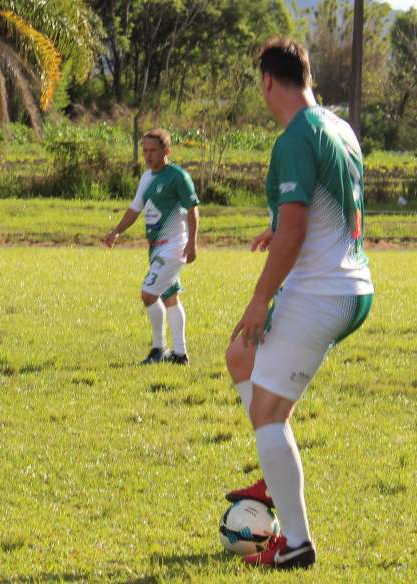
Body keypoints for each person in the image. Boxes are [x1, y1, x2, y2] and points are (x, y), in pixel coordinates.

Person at [224, 37, 373, 570]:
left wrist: (261, 298)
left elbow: (298, 229)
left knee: (267, 411)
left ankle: (296, 545)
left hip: (322, 292)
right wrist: (278, 226)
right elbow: (333, 198)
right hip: (353, 285)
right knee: (240, 355)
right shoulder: (340, 127)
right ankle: (273, 472)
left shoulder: (293, 137)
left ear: (268, 80)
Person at [103, 129, 199, 365]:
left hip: (174, 247)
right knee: (170, 297)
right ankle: (180, 354)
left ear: (166, 151)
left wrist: (192, 243)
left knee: (148, 294)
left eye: (153, 150)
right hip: (156, 248)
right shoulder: (147, 178)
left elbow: (193, 209)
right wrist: (116, 231)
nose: (148, 155)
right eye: (145, 150)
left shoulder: (178, 176)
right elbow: (135, 209)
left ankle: (158, 349)